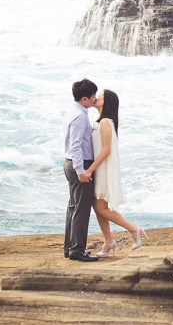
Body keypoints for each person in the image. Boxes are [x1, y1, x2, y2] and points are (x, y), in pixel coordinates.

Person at [85, 89, 147, 256]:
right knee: (98, 207)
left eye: (100, 96)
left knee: (101, 208)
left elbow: (105, 150)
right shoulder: (102, 121)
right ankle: (108, 241)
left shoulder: (105, 122)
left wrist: (90, 169)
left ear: (107, 102)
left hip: (103, 170)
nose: (96, 97)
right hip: (101, 169)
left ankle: (134, 230)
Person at [62, 78, 99, 262]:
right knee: (81, 209)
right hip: (79, 164)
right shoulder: (80, 116)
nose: (95, 99)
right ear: (84, 98)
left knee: (73, 207)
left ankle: (70, 248)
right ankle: (77, 250)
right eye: (93, 96)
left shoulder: (73, 111)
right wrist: (80, 170)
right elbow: (76, 145)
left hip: (71, 163)